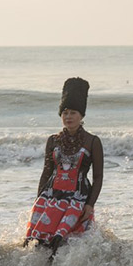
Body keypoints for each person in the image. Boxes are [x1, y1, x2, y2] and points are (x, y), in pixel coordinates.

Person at [23, 77, 103, 255]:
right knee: (38, 243)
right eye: (65, 112)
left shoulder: (93, 141)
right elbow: (46, 172)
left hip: (78, 199)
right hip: (51, 196)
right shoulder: (53, 140)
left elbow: (98, 177)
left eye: (73, 112)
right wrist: (38, 201)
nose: (68, 117)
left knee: (68, 243)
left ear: (81, 115)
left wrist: (89, 205)